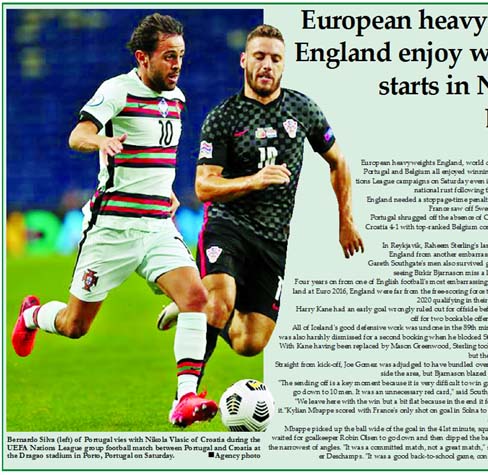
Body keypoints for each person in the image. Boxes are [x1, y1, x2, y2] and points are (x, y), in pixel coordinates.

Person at [11, 13, 217, 428]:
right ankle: (32, 316)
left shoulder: (176, 98)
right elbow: (77, 134)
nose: (177, 64)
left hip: (157, 225)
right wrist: (99, 139)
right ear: (143, 57)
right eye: (168, 57)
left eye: (181, 56)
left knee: (196, 299)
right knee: (74, 326)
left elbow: (159, 156)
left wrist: (168, 192)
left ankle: (185, 398)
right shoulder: (117, 90)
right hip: (112, 228)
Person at [157, 24, 364, 379]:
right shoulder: (225, 117)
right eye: (259, 56)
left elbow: (339, 162)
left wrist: (345, 221)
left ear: (284, 65)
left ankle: (192, 306)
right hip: (228, 226)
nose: (267, 64)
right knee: (220, 305)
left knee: (249, 343)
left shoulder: (303, 109)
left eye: (275, 58)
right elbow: (204, 186)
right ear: (244, 60)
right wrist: (255, 180)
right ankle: (186, 395)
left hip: (273, 240)